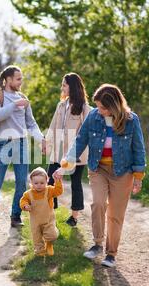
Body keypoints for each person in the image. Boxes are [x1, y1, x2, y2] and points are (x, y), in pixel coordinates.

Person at [54, 84, 146, 268]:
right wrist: (63, 167)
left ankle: (111, 254)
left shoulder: (131, 120)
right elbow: (79, 142)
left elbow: (138, 148)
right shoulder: (93, 116)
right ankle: (97, 244)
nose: (100, 111)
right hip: (98, 169)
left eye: (103, 107)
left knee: (115, 214)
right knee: (97, 203)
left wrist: (138, 176)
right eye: (98, 106)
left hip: (123, 172)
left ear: (115, 105)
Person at [0, 65, 45, 231]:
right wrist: (14, 105)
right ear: (8, 80)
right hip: (1, 143)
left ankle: (15, 215)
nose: (21, 82)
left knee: (21, 183)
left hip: (21, 142)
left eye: (21, 78)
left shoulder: (23, 98)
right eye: (18, 79)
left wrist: (41, 139)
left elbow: (31, 123)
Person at [44, 73, 91, 228]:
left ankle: (74, 217)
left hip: (76, 153)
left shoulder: (85, 108)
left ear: (73, 86)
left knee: (75, 182)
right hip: (58, 151)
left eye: (64, 84)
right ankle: (50, 212)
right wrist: (47, 143)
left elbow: (86, 132)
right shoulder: (61, 105)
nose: (62, 87)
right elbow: (52, 126)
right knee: (51, 179)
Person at [20, 167, 63, 256]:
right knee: (37, 237)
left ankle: (49, 244)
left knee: (52, 235)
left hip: (48, 219)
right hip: (35, 221)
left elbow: (58, 191)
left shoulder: (49, 190)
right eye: (36, 183)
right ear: (31, 183)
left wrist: (57, 181)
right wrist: (25, 205)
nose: (39, 185)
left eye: (42, 183)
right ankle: (39, 250)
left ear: (47, 181)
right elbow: (23, 201)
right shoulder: (28, 194)